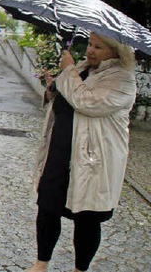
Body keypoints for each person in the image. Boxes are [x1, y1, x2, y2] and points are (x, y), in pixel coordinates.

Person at [26, 33, 137, 272]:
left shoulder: (122, 80)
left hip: (93, 160)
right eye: (90, 44)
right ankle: (41, 263)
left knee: (87, 217)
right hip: (59, 151)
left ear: (116, 52)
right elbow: (66, 98)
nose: (91, 50)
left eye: (99, 47)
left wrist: (67, 73)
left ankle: (80, 269)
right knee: (48, 207)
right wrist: (53, 88)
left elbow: (88, 102)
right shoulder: (83, 69)